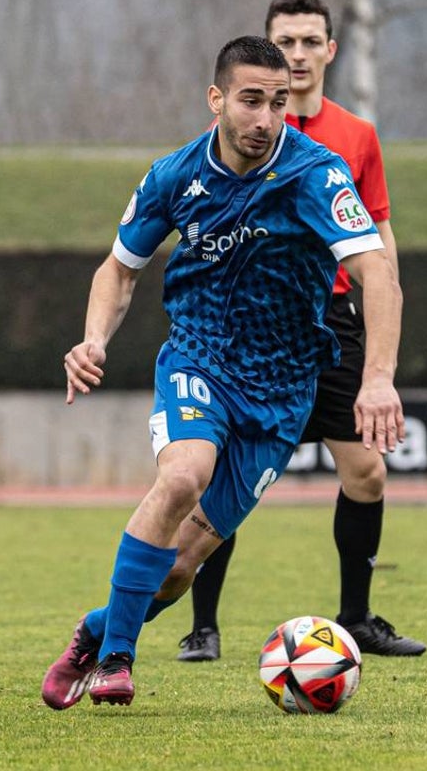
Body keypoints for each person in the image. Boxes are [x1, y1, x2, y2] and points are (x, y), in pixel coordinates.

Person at [41, 36, 404, 710]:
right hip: (200, 356)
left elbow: (374, 274)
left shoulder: (317, 174)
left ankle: (95, 633)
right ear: (216, 99)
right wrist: (93, 339)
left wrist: (376, 377)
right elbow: (119, 270)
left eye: (278, 103)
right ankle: (119, 660)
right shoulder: (173, 175)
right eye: (250, 101)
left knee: (180, 568)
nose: (266, 118)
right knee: (182, 474)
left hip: (285, 388)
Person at [175, 0, 425, 663]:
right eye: (287, 41)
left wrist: (383, 340)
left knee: (367, 471)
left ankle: (357, 617)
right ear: (266, 51)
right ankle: (203, 625)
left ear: (331, 51)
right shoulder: (241, 132)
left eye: (312, 41)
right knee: (222, 476)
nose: (300, 53)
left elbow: (378, 239)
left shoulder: (358, 137)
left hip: (333, 325)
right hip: (251, 328)